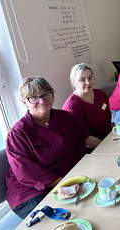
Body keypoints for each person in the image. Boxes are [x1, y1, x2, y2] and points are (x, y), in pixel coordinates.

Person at [6, 77, 87, 219]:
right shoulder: (18, 133)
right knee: (60, 219)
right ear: (24, 102)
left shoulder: (66, 118)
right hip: (30, 190)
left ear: (53, 96)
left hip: (67, 178)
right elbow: (25, 172)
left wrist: (79, 174)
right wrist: (64, 182)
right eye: (34, 98)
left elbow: (80, 146)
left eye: (45, 95)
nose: (42, 101)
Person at [62, 63, 112, 152]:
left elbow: (107, 120)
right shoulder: (72, 106)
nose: (88, 82)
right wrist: (108, 146)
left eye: (90, 78)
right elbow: (85, 139)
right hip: (91, 150)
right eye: (82, 80)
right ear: (73, 81)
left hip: (109, 139)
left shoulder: (100, 94)